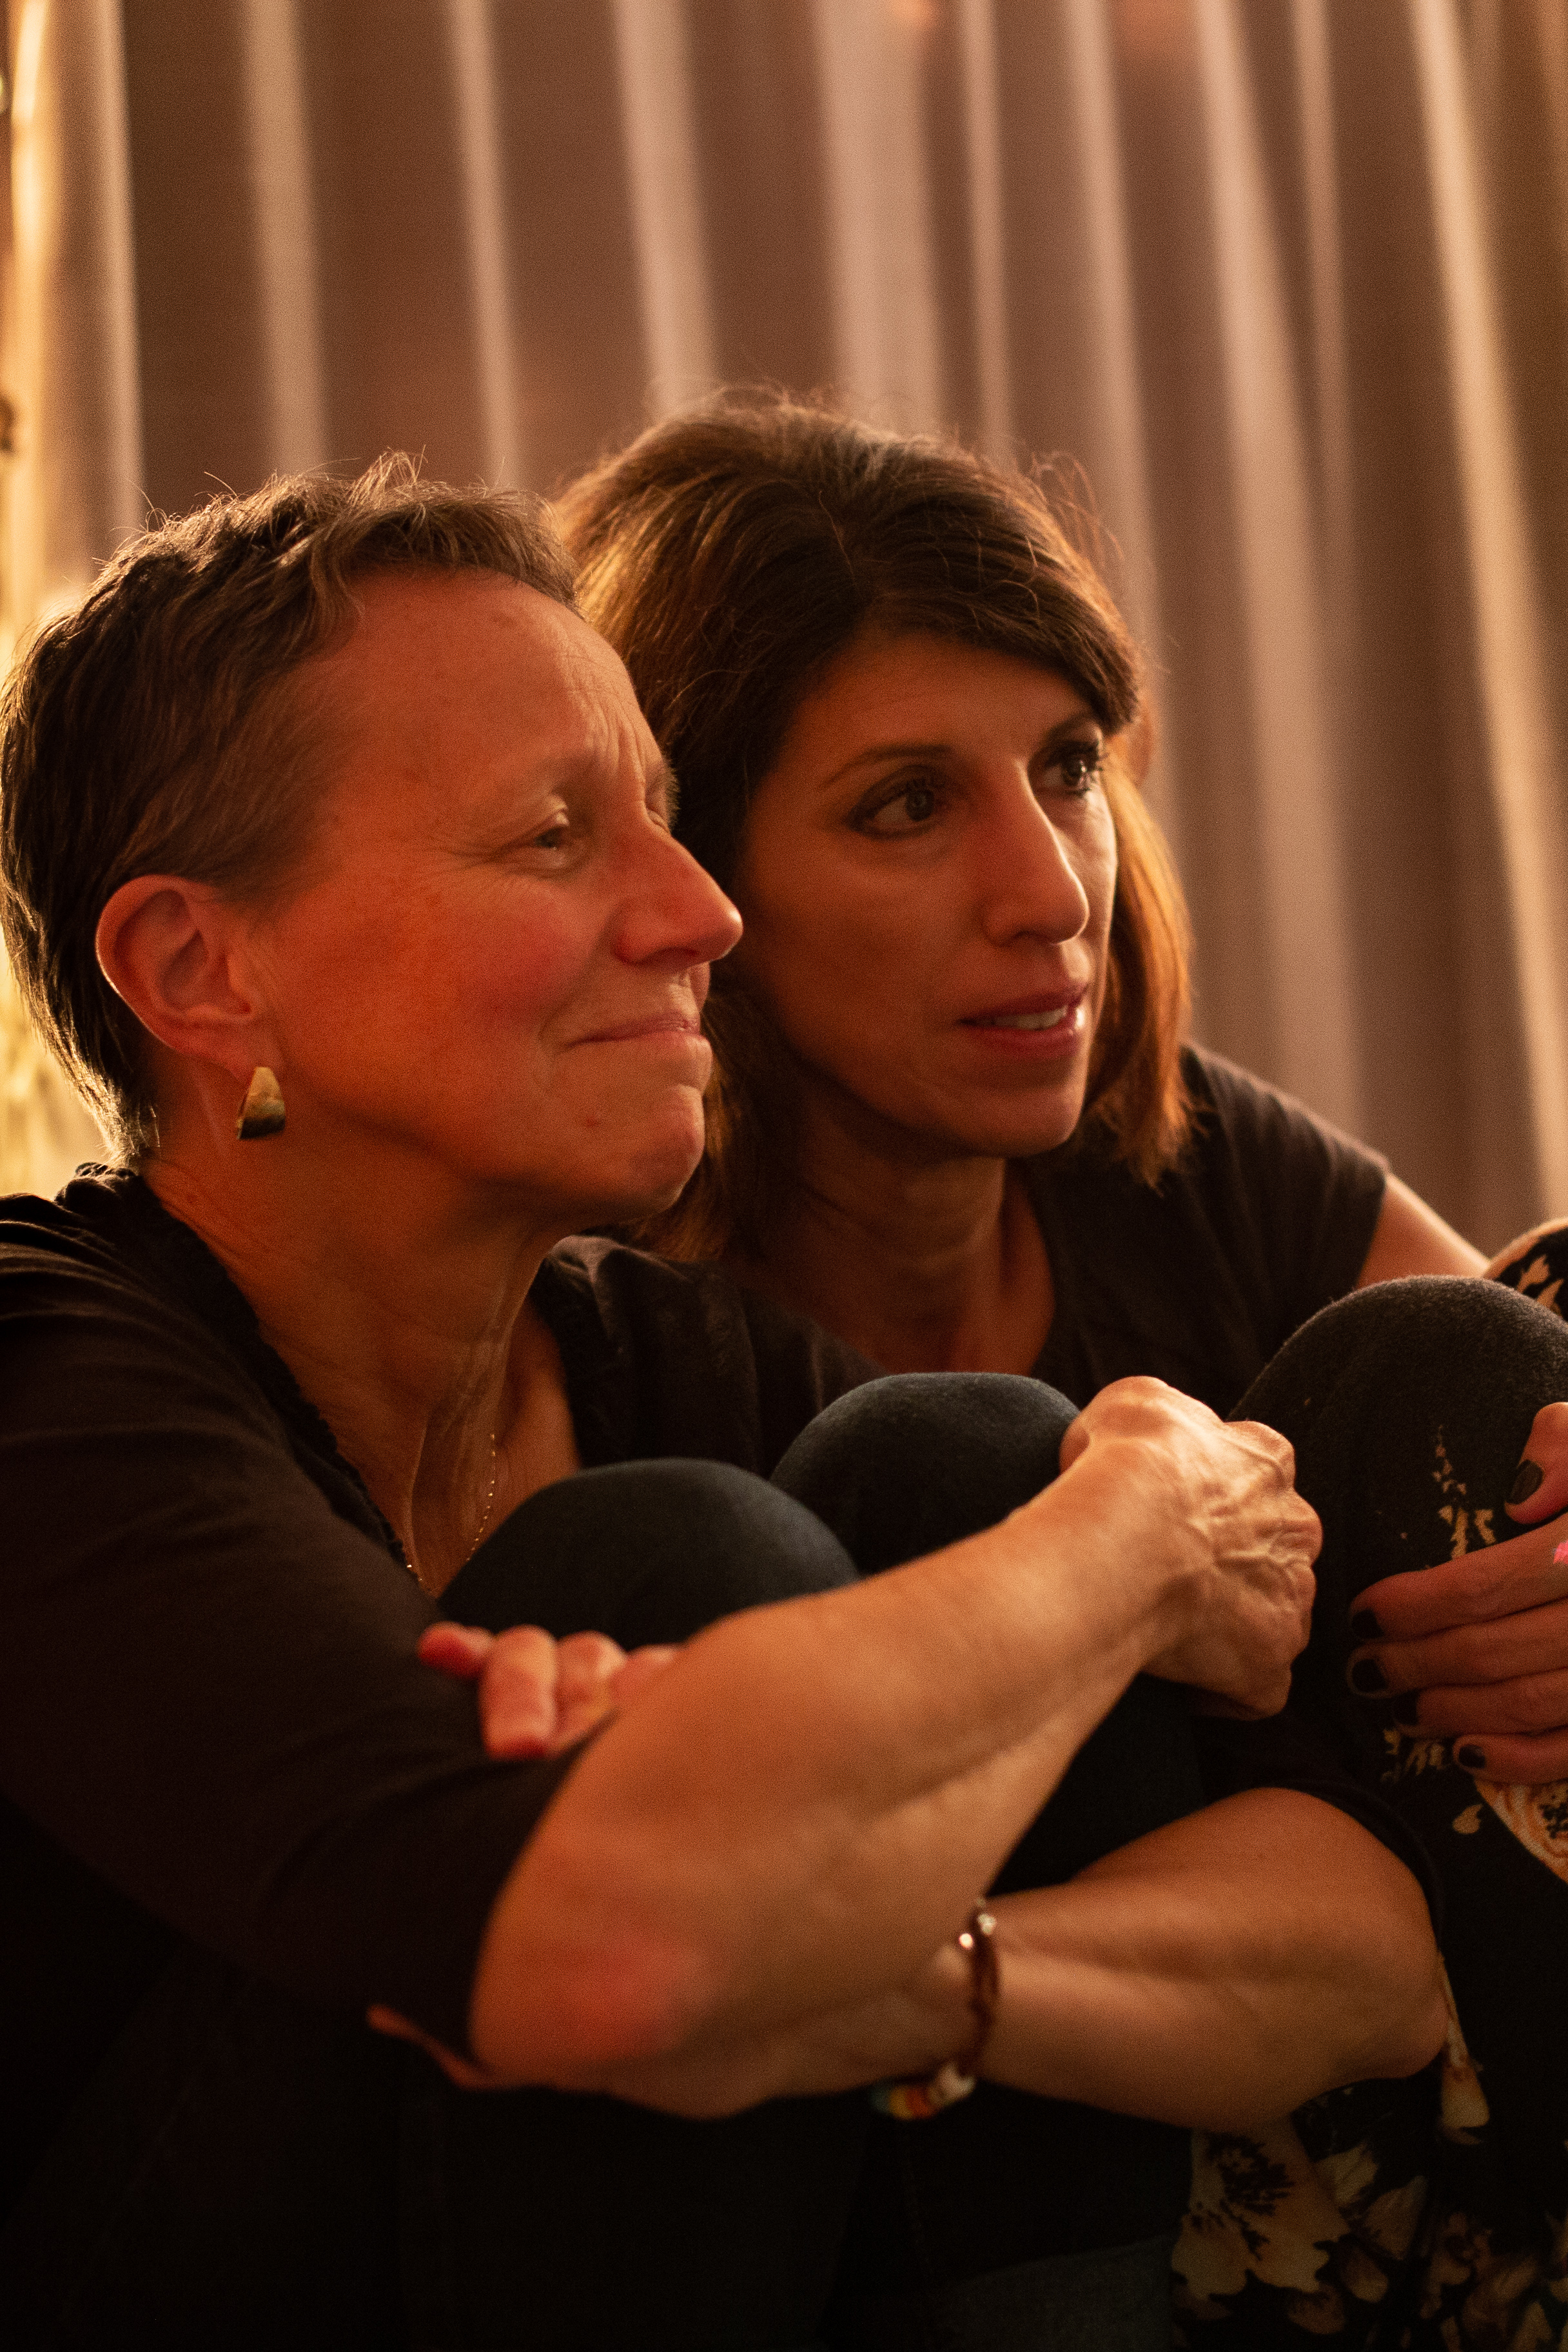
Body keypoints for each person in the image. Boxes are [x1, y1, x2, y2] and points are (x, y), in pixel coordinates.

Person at [0, 459, 1436, 2352]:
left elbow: (1373, 1958)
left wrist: (916, 1976)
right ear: (202, 969)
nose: (700, 915)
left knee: (968, 1457)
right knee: (678, 1558)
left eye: (668, 826)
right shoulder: (49, 1377)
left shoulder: (667, 1355)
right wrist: (1134, 1538)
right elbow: (613, 1957)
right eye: (551, 839)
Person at [557, 392, 1568, 2347]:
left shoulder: (1182, 1167)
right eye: (905, 806)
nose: (1049, 889)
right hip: (950, 2211)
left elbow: (1517, 1385)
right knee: (958, 1470)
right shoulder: (614, 1331)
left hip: (1365, 2078)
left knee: (1455, 1362)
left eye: (1070, 766)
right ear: (692, 889)